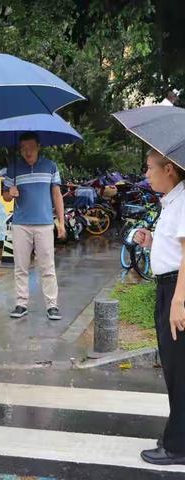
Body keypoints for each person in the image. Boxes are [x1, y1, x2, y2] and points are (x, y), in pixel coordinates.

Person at [135, 150, 185, 465]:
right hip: (168, 288)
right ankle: (176, 434)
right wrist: (152, 242)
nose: (146, 173)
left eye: (150, 167)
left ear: (169, 169)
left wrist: (179, 301)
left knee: (179, 371)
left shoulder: (182, 201)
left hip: (176, 291)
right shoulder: (172, 201)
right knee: (174, 367)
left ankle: (178, 446)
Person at [2, 132, 66, 321]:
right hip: (20, 223)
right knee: (20, 266)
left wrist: (61, 222)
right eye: (23, 148)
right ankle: (21, 303)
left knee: (47, 267)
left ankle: (52, 305)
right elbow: (5, 195)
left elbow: (56, 195)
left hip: (45, 224)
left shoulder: (50, 166)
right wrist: (9, 193)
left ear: (38, 146)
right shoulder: (13, 169)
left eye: (30, 147)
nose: (27, 152)